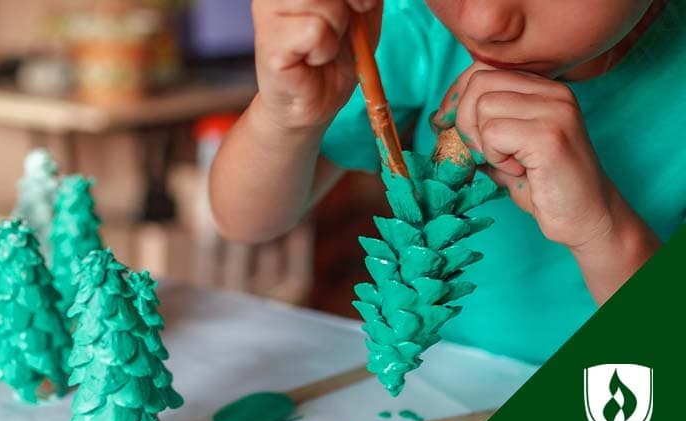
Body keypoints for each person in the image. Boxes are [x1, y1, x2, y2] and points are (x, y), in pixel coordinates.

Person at [208, 0, 685, 365]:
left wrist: (599, 228)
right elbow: (246, 221)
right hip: (446, 387)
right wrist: (288, 116)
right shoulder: (412, 24)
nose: (484, 22)